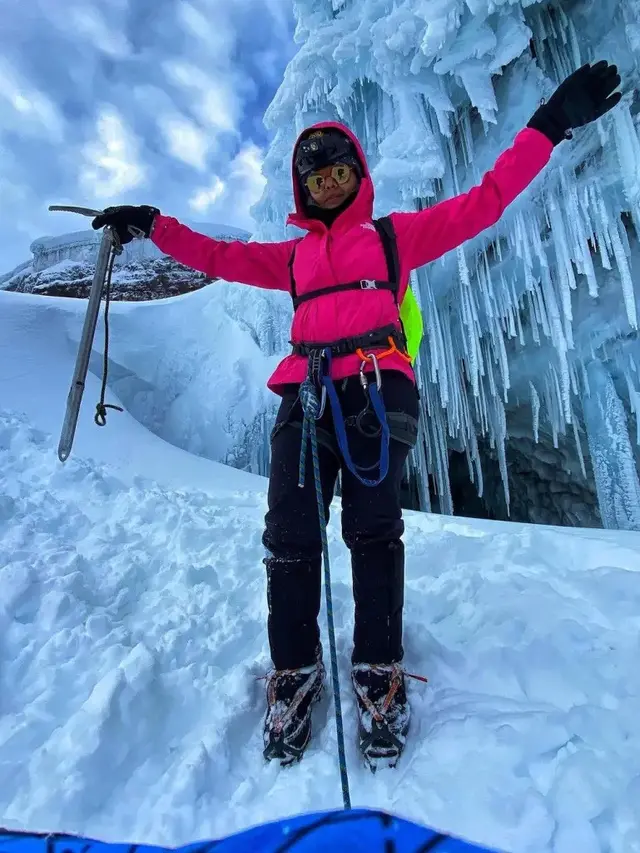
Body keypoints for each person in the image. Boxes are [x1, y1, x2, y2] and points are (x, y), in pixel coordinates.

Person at [92, 60, 621, 768]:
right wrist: (154, 224)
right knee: (289, 536)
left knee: (374, 532)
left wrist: (551, 121)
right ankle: (294, 671)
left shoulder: (396, 238)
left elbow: (488, 199)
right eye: (315, 177)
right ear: (302, 190)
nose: (328, 183)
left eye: (338, 170)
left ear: (357, 173)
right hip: (305, 398)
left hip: (377, 391)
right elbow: (218, 254)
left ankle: (378, 671)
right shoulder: (288, 260)